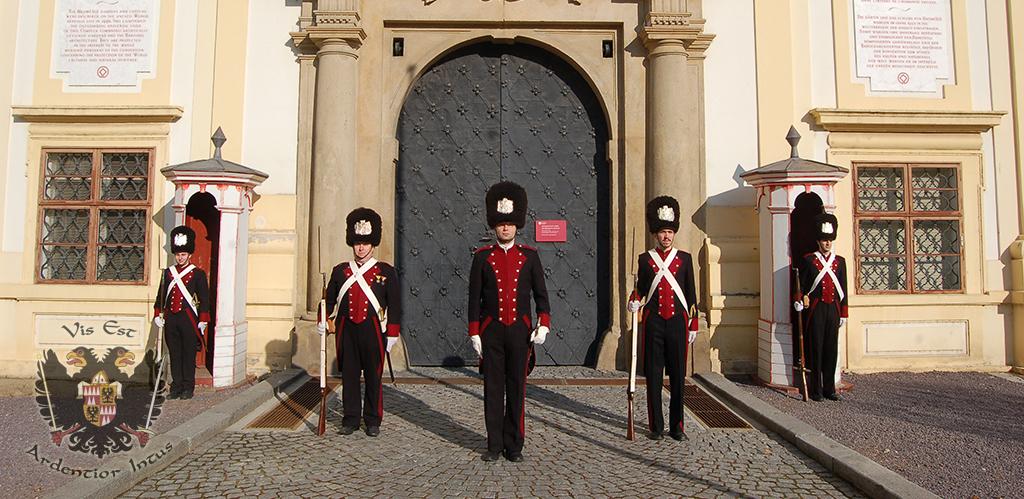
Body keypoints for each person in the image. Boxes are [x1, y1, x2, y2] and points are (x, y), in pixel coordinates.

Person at [467, 181, 551, 462]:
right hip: (491, 331)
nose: (505, 228)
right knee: (493, 389)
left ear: (517, 225)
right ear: (494, 226)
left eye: (510, 224)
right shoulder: (482, 258)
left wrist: (544, 324)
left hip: (519, 331)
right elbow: (474, 298)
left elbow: (541, 295)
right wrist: (474, 332)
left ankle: (514, 445)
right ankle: (493, 444)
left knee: (516, 389)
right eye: (501, 223)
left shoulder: (530, 257)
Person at [321, 208, 401, 436]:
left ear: (373, 244)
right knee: (349, 375)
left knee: (374, 377)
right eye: (357, 242)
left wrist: (393, 334)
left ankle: (373, 419)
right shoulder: (340, 271)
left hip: (373, 329)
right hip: (347, 329)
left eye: (365, 243)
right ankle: (351, 418)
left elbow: (394, 305)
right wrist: (322, 318)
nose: (361, 247)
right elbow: (328, 300)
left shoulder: (386, 272)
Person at [627, 196, 698, 441]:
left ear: (674, 233)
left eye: (669, 232)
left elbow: (691, 294)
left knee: (678, 376)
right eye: (662, 232)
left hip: (677, 322)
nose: (666, 236)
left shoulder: (685, 259)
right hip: (654, 322)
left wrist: (693, 323)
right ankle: (656, 425)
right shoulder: (645, 260)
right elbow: (642, 289)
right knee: (654, 376)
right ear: (655, 234)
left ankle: (677, 426)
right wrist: (634, 298)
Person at [793, 212, 847, 402]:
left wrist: (844, 313)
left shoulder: (840, 262)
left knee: (831, 349)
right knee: (816, 349)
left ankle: (829, 389)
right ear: (818, 241)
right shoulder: (809, 260)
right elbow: (801, 285)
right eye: (824, 240)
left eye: (829, 240)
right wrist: (800, 299)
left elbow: (844, 288)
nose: (827, 243)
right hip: (816, 309)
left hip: (833, 309)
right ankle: (815, 390)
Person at [153, 225, 211, 400]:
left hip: (188, 318)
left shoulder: (197, 274)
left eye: (183, 255)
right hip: (171, 318)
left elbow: (205, 298)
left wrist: (203, 319)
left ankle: (188, 387)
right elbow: (160, 296)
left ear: (189, 255)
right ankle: (176, 386)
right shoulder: (167, 274)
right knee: (175, 353)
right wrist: (158, 314)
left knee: (188, 353)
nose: (180, 258)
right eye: (178, 254)